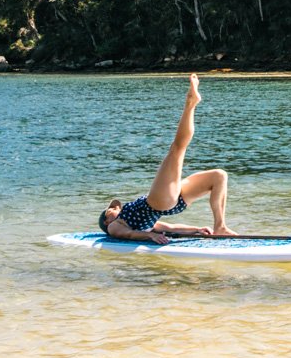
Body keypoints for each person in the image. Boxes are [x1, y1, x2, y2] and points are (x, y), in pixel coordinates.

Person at [98, 74, 237, 243]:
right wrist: (149, 235)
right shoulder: (114, 227)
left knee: (219, 176)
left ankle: (220, 226)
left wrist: (196, 230)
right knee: (177, 149)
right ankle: (190, 104)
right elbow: (128, 235)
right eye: (111, 210)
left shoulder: (148, 224)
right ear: (106, 221)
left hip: (171, 200)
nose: (116, 208)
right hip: (158, 203)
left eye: (115, 206)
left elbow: (170, 228)